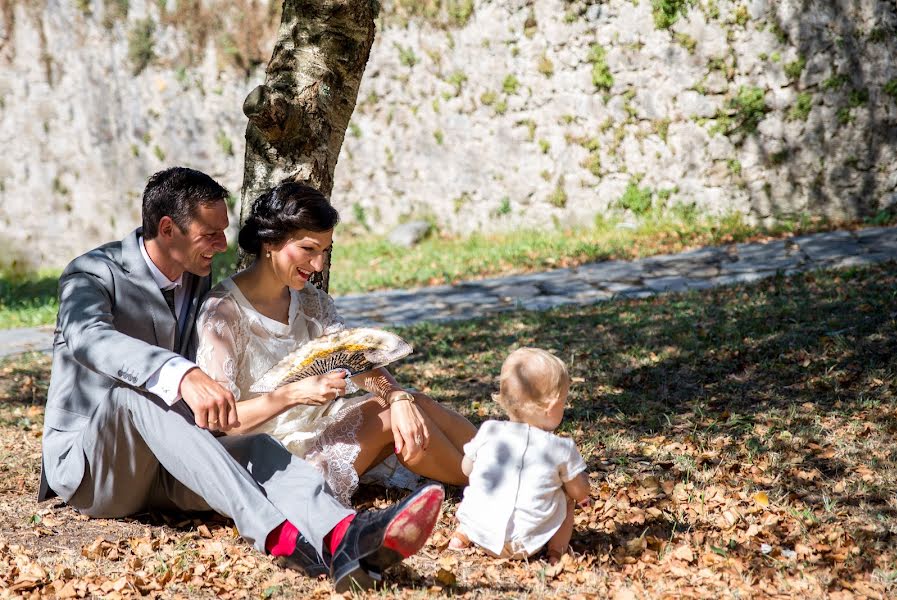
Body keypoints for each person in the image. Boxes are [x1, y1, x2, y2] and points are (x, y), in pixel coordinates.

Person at [39, 167, 444, 593]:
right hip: (97, 470)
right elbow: (90, 338)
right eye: (210, 233)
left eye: (223, 230)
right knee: (131, 398)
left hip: (170, 460)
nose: (222, 244)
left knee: (260, 447)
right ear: (167, 228)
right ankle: (280, 537)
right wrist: (181, 374)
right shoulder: (91, 274)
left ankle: (343, 535)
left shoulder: (196, 274)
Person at [194, 182, 477, 507]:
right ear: (270, 242)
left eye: (324, 251)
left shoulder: (312, 302)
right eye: (308, 249)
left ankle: (503, 465)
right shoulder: (222, 313)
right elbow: (218, 422)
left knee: (413, 403)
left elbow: (356, 362)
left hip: (321, 428)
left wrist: (398, 396)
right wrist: (292, 394)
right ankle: (497, 485)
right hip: (269, 457)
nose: (317, 266)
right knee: (384, 415)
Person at [448, 348, 590, 563]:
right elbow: (580, 492)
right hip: (525, 544)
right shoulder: (560, 448)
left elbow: (466, 469)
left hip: (482, 536)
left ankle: (463, 534)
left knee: (480, 490)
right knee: (567, 498)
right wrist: (580, 492)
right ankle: (556, 552)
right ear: (552, 406)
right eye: (563, 402)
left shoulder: (489, 430)